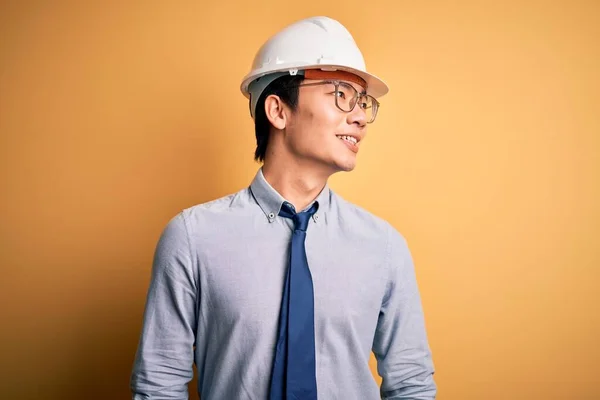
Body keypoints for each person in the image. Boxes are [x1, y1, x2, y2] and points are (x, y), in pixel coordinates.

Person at [130, 16, 436, 400]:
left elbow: (412, 385)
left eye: (362, 102)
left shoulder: (384, 246)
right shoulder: (193, 238)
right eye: (341, 94)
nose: (359, 117)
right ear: (278, 111)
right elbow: (159, 384)